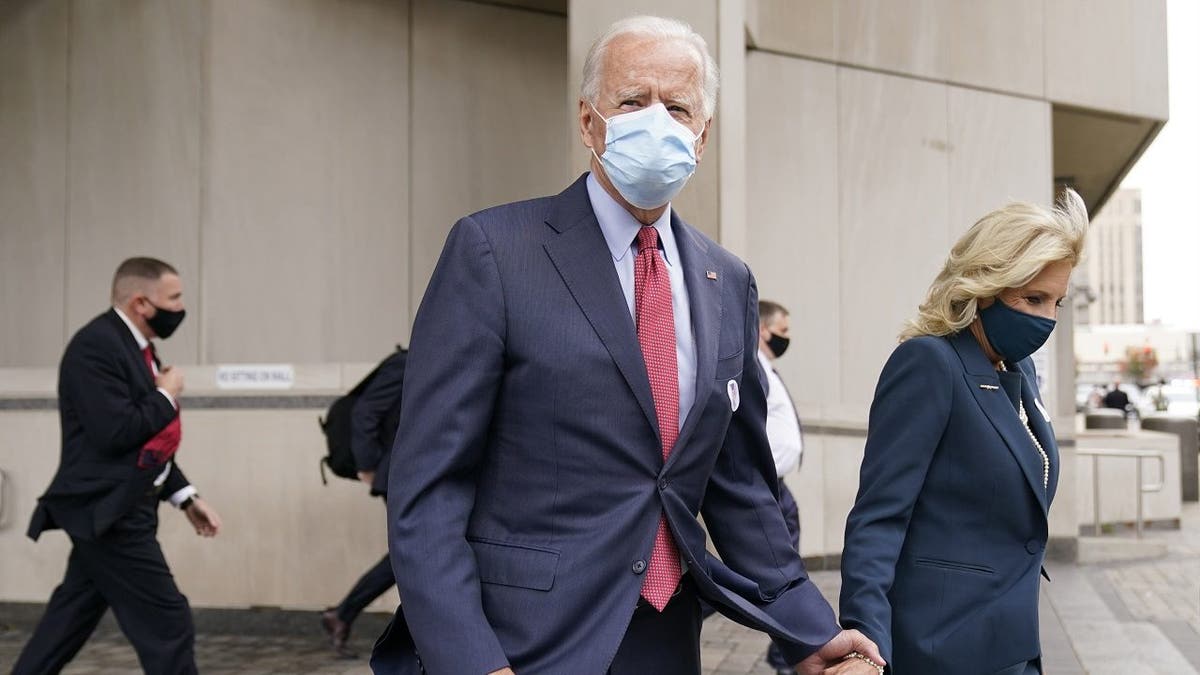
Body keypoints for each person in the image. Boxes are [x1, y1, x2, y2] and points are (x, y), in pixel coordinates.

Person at [371, 15, 883, 675]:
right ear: (589, 123)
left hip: (665, 636)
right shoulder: (494, 252)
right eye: (632, 101)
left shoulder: (728, 281)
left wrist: (812, 631)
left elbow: (738, 485)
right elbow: (428, 487)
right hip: (523, 645)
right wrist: (472, 662)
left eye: (677, 107)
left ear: (703, 136)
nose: (657, 122)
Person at [839, 190, 1089, 674]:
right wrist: (863, 643)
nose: (1048, 319)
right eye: (1033, 299)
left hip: (1014, 644)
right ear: (986, 285)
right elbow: (878, 516)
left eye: (1058, 301)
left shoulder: (1020, 371)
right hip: (940, 649)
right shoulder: (929, 363)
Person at [14, 257, 222, 675]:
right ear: (141, 303)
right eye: (174, 298)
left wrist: (186, 497)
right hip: (110, 513)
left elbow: (150, 447)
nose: (181, 307)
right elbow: (115, 433)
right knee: (169, 623)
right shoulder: (95, 346)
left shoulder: (135, 347)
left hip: (122, 509)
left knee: (66, 623)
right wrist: (165, 395)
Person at [320, 348, 407, 658]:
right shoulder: (405, 362)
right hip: (397, 474)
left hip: (408, 473)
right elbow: (365, 412)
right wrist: (368, 465)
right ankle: (343, 614)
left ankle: (342, 614)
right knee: (410, 552)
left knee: (407, 553)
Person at [756, 300, 806, 673]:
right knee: (780, 575)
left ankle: (785, 654)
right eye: (783, 331)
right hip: (765, 489)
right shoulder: (753, 367)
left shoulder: (767, 369)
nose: (787, 338)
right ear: (763, 329)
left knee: (781, 575)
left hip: (776, 488)